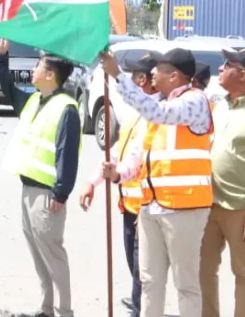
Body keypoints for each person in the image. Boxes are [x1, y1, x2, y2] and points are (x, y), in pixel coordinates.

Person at [99, 48, 213, 317]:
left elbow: (159, 113)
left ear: (174, 76)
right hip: (151, 207)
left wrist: (117, 76)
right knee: (149, 282)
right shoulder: (158, 106)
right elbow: (137, 157)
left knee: (186, 284)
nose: (151, 72)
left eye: (157, 68)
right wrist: (117, 173)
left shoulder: (194, 101)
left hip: (184, 208)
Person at [0, 38, 81, 317]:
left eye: (38, 66)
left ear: (50, 74)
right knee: (38, 252)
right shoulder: (35, 100)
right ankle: (46, 309)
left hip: (47, 194)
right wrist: (2, 57)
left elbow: (67, 154)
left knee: (53, 255)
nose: (33, 70)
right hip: (28, 188)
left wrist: (61, 192)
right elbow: (8, 87)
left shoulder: (66, 108)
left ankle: (64, 311)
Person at [79, 54, 158, 317]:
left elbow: (135, 162)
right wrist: (92, 182)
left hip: (146, 208)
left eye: (133, 76)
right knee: (135, 268)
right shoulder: (135, 114)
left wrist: (115, 176)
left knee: (142, 271)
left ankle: (139, 312)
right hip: (129, 206)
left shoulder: (156, 115)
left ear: (142, 80)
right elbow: (116, 153)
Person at [200, 48, 245, 317]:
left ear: (242, 74)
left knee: (243, 273)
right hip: (209, 204)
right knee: (204, 269)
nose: (220, 69)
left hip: (242, 209)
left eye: (227, 65)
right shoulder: (220, 106)